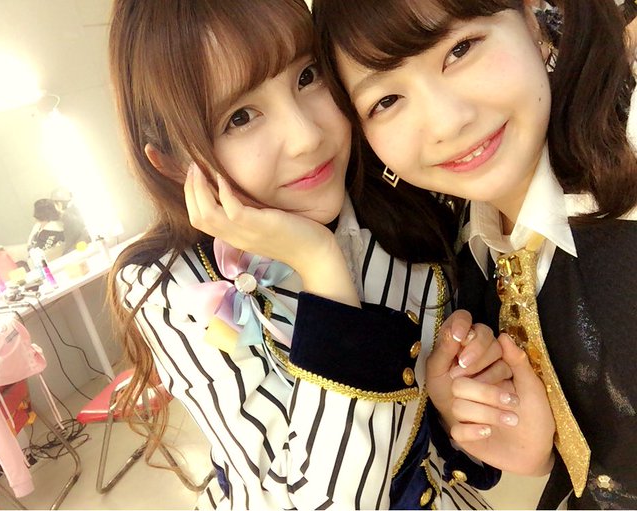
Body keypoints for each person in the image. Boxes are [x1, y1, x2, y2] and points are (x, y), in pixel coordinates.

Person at [105, 0, 553, 508]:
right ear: (172, 163)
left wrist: (458, 414)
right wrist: (321, 267)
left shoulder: (408, 198)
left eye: (307, 76)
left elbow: (454, 447)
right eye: (240, 117)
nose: (307, 137)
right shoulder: (172, 283)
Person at [313, 0, 637, 508]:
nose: (447, 122)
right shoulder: (470, 259)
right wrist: (533, 450)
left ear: (531, 18)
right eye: (387, 100)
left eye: (461, 49)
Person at [50, 187, 90, 253]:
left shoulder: (67, 217)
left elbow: (70, 244)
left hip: (80, 251)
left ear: (59, 204)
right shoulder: (76, 210)